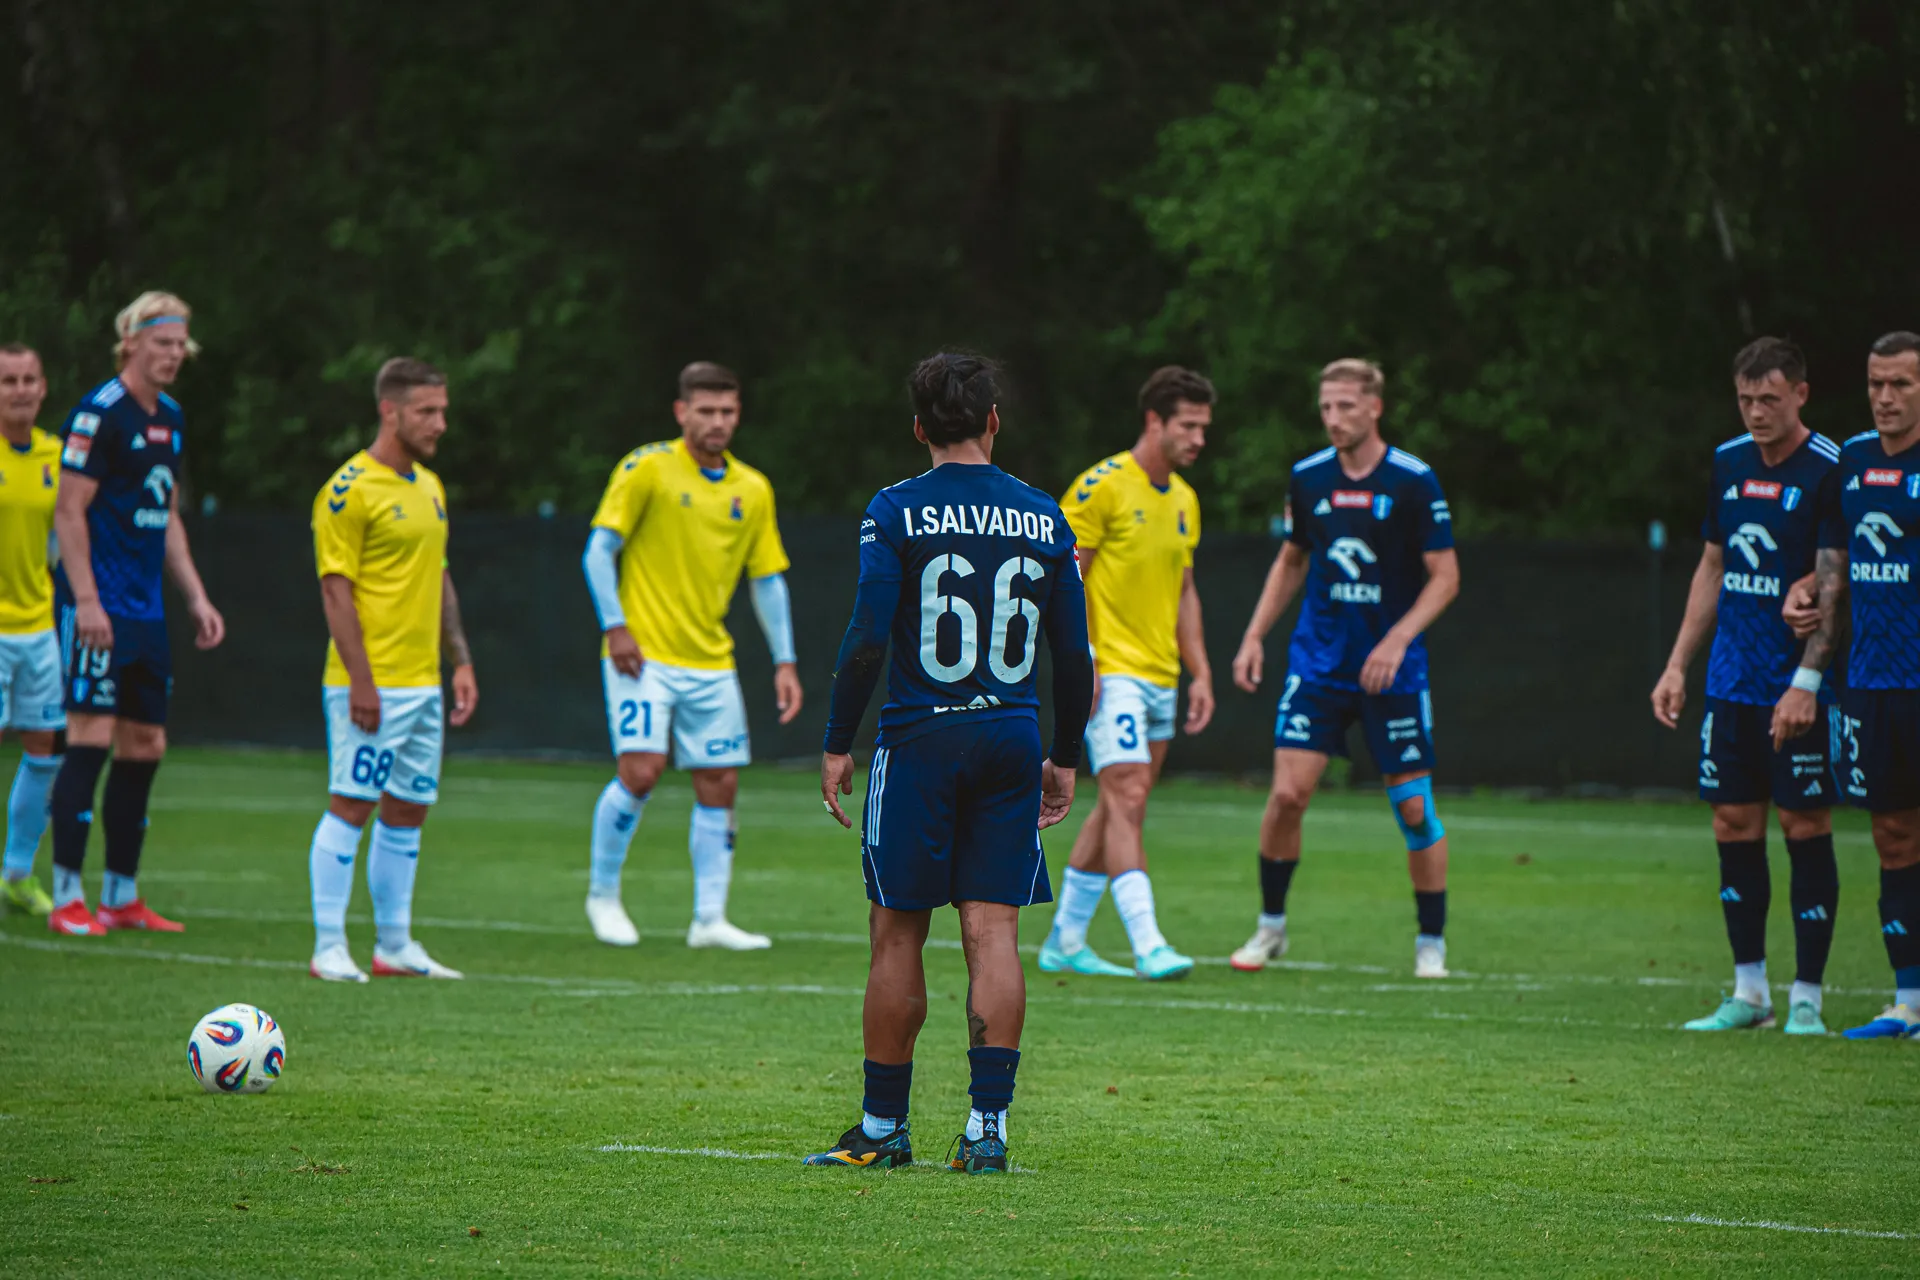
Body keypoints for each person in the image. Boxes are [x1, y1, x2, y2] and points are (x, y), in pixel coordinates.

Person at [806, 352, 1092, 1175]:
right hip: (1010, 736)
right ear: (994, 420)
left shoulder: (895, 509)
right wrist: (1064, 757)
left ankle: (883, 1128)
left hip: (920, 739)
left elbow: (867, 636)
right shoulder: (1045, 516)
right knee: (993, 931)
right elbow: (1074, 656)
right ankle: (986, 1132)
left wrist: (837, 740)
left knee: (898, 930)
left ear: (919, 428)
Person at [1229, 358, 1461, 978]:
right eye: (1326, 407)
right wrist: (1254, 636)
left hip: (1394, 671)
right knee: (1286, 796)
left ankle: (1430, 942)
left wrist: (1397, 639)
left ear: (1375, 407)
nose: (1333, 418)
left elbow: (1446, 577)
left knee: (1414, 808)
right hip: (1319, 663)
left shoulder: (1414, 481)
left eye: (1346, 407)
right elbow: (1292, 559)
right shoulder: (1309, 477)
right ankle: (1271, 927)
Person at [1650, 337, 1843, 1035]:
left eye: (1769, 398)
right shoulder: (1728, 462)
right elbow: (1713, 564)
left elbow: (1842, 570)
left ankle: (1808, 998)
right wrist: (1678, 663)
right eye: (1745, 399)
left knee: (1803, 824)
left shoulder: (1832, 469)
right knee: (1733, 823)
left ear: (1800, 394)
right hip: (1732, 679)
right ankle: (1750, 991)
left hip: (1798, 684)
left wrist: (1807, 672)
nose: (1756, 412)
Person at [578, 362, 801, 950]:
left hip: (710, 660)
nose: (717, 422)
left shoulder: (752, 488)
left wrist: (784, 660)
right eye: (706, 411)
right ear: (682, 412)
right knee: (641, 770)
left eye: (727, 411)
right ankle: (602, 895)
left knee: (720, 781)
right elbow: (598, 551)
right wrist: (616, 626)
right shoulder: (646, 467)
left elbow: (767, 579)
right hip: (641, 655)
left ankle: (709, 920)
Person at [46, 292, 225, 937]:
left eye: (180, 345)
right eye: (162, 343)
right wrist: (87, 600)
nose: (173, 355)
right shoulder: (99, 413)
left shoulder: (170, 417)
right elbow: (69, 512)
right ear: (131, 342)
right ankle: (67, 896)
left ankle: (121, 896)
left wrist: (195, 596)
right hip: (98, 605)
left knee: (146, 742)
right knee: (89, 736)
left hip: (146, 611)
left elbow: (166, 513)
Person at [1038, 366, 1214, 981]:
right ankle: (1149, 944)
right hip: (1112, 673)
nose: (1198, 438)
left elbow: (1185, 591)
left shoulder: (1185, 499)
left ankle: (1065, 940)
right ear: (1153, 420)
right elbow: (1064, 579)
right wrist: (1082, 660)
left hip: (1162, 676)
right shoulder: (1102, 486)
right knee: (1128, 796)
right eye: (1187, 426)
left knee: (1120, 805)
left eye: (1203, 427)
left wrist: (1201, 671)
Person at [305, 357, 477, 983]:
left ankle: (395, 945)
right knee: (352, 804)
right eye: (426, 411)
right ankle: (329, 946)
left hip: (422, 682)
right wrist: (361, 681)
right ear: (390, 411)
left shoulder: (429, 486)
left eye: (442, 411)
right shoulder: (348, 490)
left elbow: (439, 576)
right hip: (370, 683)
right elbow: (335, 592)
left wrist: (460, 660)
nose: (439, 423)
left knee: (408, 809)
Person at [1788, 331, 1920, 1039]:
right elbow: (1832, 574)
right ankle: (1909, 1001)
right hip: (1870, 682)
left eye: (1901, 384)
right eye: (1876, 384)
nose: (1885, 397)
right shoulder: (1854, 462)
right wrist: (1805, 594)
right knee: (1893, 835)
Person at [0, 344, 64, 915]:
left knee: (45, 749)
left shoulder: (56, 455)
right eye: (8, 381)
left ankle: (17, 874)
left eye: (28, 380)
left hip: (39, 628)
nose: (19, 390)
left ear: (43, 388)